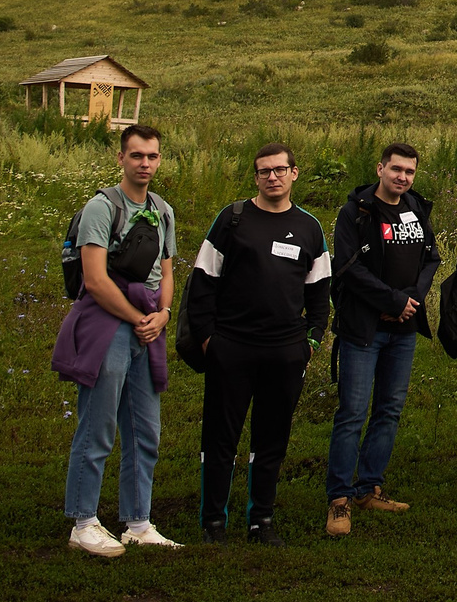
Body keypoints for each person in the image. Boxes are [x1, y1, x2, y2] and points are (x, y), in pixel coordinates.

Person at [179, 142, 332, 543]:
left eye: (280, 170)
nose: (273, 177)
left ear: (294, 173)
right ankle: (214, 522)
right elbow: (202, 285)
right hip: (231, 347)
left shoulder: (310, 227)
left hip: (285, 352)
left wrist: (311, 343)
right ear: (256, 177)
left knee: (271, 440)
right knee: (220, 440)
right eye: (264, 171)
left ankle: (260, 520)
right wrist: (210, 340)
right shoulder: (232, 219)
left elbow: (320, 294)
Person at [57, 124, 180, 556]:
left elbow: (166, 272)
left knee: (145, 428)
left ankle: (137, 522)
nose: (145, 164)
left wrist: (162, 315)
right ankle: (83, 521)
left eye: (152, 156)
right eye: (137, 156)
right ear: (121, 158)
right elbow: (94, 278)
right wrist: (138, 318)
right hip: (109, 321)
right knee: (98, 425)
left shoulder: (163, 210)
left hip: (149, 323)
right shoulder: (101, 207)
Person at [324, 142, 440, 537]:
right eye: (396, 170)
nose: (403, 177)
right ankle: (339, 500)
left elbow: (431, 259)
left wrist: (413, 301)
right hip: (364, 328)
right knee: (353, 412)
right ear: (379, 169)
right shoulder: (355, 212)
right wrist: (390, 300)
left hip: (403, 328)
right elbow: (348, 267)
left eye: (409, 171)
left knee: (389, 409)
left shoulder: (416, 209)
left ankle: (369, 488)